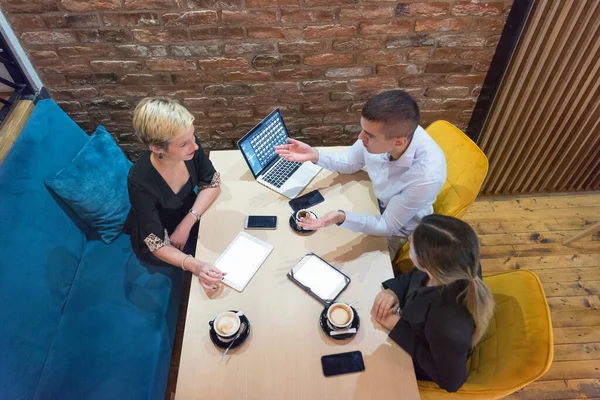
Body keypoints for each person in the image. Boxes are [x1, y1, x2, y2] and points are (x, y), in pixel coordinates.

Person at [275, 90, 446, 259]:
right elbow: (351, 161)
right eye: (362, 129)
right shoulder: (386, 133)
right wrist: (315, 154)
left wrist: (342, 217)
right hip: (373, 200)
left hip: (396, 228)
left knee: (329, 257)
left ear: (399, 142)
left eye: (368, 135)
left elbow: (387, 226)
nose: (360, 137)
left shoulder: (426, 176)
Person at [371, 214, 495, 392]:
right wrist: (394, 292)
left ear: (428, 263)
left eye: (413, 246)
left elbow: (451, 382)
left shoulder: (448, 325)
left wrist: (397, 326)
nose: (409, 238)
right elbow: (415, 276)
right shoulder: (455, 266)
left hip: (415, 360)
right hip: (411, 323)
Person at [123, 97, 225, 291]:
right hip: (161, 239)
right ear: (156, 148)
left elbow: (212, 183)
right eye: (184, 143)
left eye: (193, 136)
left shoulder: (189, 146)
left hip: (188, 218)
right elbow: (156, 243)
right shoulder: (139, 180)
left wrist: (187, 223)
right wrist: (195, 265)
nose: (194, 146)